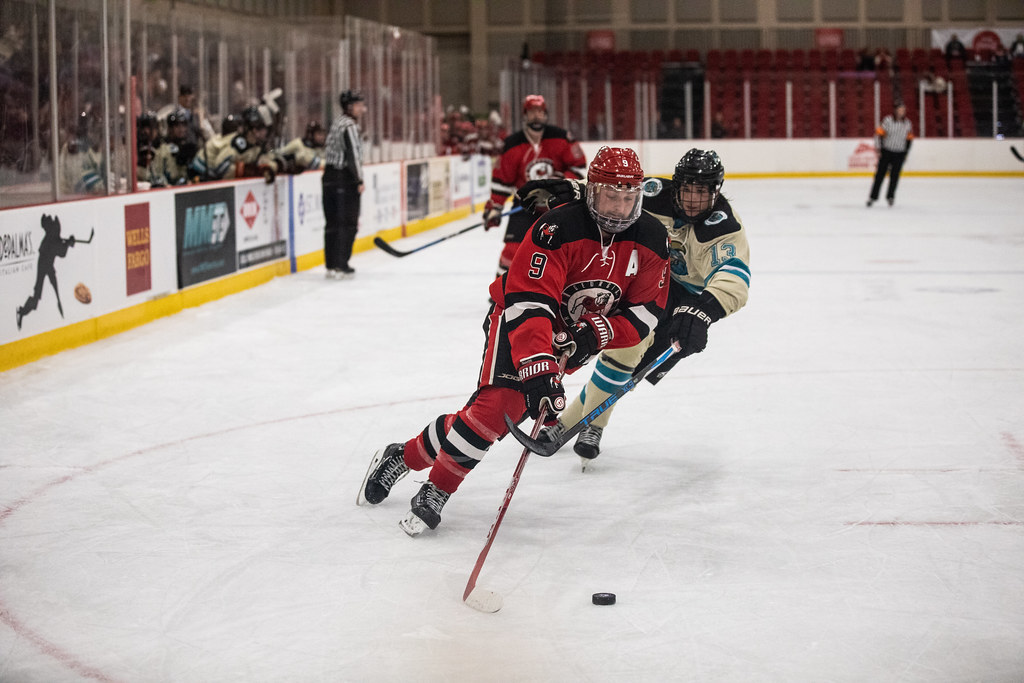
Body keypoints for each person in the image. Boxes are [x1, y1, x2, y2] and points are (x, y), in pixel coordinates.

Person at [357, 147, 670, 535]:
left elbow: (644, 313)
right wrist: (538, 364)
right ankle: (436, 489)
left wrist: (596, 334)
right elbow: (530, 301)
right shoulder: (558, 228)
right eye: (611, 195)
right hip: (517, 322)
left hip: (567, 340)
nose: (620, 208)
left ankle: (404, 456)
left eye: (628, 198)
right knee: (498, 405)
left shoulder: (653, 238)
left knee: (489, 417)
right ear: (592, 191)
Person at [515, 148, 751, 461]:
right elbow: (613, 196)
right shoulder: (653, 193)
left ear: (716, 192)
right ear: (674, 185)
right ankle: (589, 427)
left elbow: (734, 278)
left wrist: (702, 310)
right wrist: (578, 189)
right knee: (621, 352)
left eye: (702, 192)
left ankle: (572, 423)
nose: (693, 200)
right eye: (687, 190)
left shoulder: (725, 228)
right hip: (645, 283)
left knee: (634, 370)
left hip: (685, 300)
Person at [483, 94, 587, 277]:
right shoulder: (512, 144)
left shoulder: (561, 137)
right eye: (532, 112)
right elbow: (502, 181)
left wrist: (559, 184)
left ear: (545, 114)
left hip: (557, 204)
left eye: (540, 111)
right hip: (525, 204)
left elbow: (578, 167)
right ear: (525, 115)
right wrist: (495, 206)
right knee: (513, 250)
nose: (536, 115)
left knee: (565, 248)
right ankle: (502, 290)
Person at [321, 90, 366, 279]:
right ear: (350, 107)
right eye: (358, 105)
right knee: (347, 222)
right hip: (343, 179)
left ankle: (331, 263)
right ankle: (341, 263)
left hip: (329, 177)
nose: (362, 109)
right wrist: (359, 180)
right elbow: (353, 156)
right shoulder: (349, 126)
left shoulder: (337, 123)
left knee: (332, 222)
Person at [189, 104, 275, 182]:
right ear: (255, 130)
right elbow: (220, 169)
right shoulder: (237, 145)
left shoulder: (256, 144)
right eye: (264, 128)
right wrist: (246, 170)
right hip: (200, 173)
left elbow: (266, 158)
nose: (266, 132)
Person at [867, 103, 913, 208]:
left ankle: (890, 197)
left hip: (899, 153)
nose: (902, 112)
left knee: (895, 176)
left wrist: (906, 153)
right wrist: (878, 149)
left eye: (903, 110)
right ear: (896, 110)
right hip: (887, 151)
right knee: (879, 175)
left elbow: (909, 139)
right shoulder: (888, 121)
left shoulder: (907, 123)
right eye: (900, 109)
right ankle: (873, 197)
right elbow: (878, 134)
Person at [148, 107, 197, 187]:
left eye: (183, 125)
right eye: (177, 126)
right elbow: (159, 176)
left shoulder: (190, 147)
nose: (181, 129)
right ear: (170, 128)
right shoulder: (163, 149)